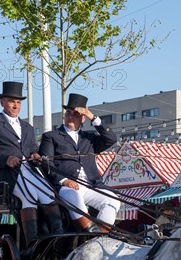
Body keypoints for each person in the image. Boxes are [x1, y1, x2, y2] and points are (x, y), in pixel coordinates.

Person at [0, 81, 63, 248]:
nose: (15, 106)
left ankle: (58, 238)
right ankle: (32, 244)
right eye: (11, 101)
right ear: (2, 102)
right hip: (8, 177)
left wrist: (36, 157)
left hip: (29, 172)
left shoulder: (28, 127)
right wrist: (5, 159)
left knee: (50, 194)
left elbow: (31, 149)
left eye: (18, 102)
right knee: (29, 195)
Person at [39, 93, 120, 232]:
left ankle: (101, 236)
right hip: (66, 187)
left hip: (90, 185)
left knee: (113, 200)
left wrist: (92, 117)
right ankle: (90, 233)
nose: (70, 116)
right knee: (73, 195)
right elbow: (45, 163)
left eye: (75, 114)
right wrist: (64, 180)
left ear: (83, 118)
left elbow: (111, 139)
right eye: (68, 113)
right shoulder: (51, 136)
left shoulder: (89, 138)